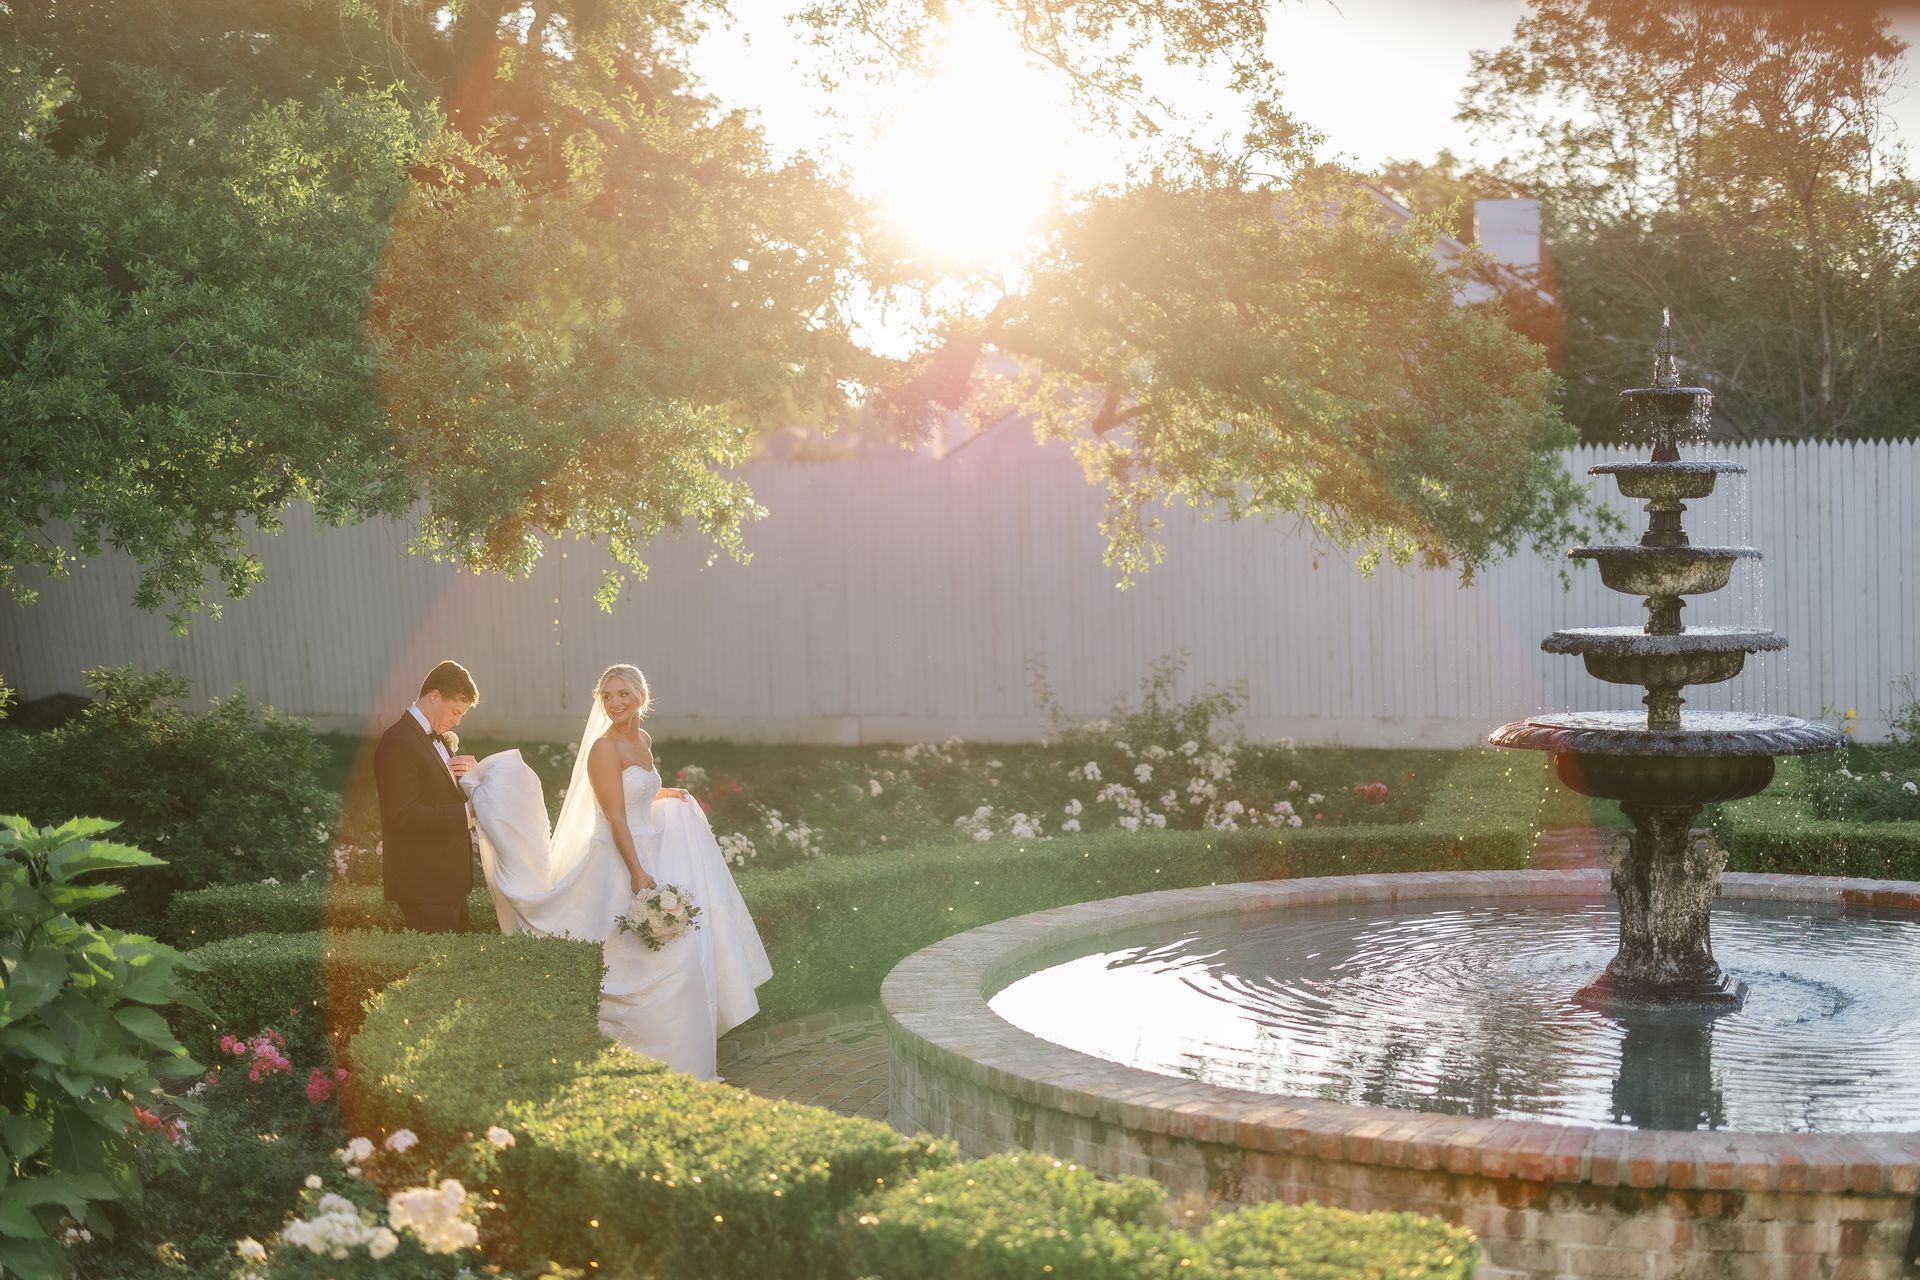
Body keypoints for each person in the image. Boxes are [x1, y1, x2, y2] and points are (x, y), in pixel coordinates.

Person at [459, 664, 771, 1080]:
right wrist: (638, 872)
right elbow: (615, 815)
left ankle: (685, 1069)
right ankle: (646, 1066)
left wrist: (667, 792)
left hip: (651, 850)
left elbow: (636, 791)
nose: (614, 702)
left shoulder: (642, 739)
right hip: (620, 861)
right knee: (641, 961)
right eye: (607, 695)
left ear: (641, 695)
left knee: (677, 957)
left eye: (622, 693)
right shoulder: (603, 749)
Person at [373, 661, 481, 933]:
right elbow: (404, 813)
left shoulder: (436, 737)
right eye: (455, 711)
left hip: (447, 884)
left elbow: (437, 790)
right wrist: (465, 814)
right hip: (426, 886)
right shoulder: (397, 740)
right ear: (434, 697)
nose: (457, 721)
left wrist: (467, 777)